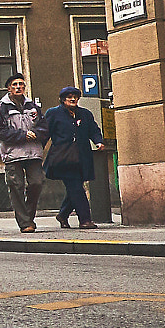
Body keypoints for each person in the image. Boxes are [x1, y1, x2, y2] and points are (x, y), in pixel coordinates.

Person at [44, 86, 106, 229]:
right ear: (62, 99)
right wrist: (36, 151)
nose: (72, 99)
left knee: (75, 187)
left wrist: (98, 141)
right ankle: (85, 220)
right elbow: (45, 132)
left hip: (82, 158)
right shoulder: (53, 113)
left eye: (75, 97)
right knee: (76, 187)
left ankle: (63, 214)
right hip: (63, 158)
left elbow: (93, 129)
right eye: (69, 97)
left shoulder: (85, 114)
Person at [0, 72, 47, 233]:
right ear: (9, 88)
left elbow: (44, 126)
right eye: (15, 85)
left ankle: (28, 216)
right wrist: (22, 136)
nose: (18, 87)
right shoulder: (2, 107)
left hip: (33, 152)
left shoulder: (33, 106)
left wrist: (37, 135)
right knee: (16, 186)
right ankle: (25, 223)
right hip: (13, 153)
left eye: (21, 85)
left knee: (37, 182)